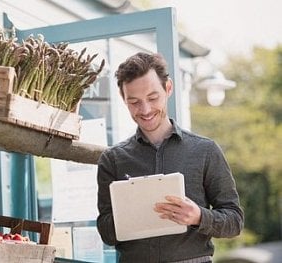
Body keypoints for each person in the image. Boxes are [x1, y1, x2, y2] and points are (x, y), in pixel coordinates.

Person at [96, 52, 244, 262]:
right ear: (123, 99)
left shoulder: (205, 151)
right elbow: (105, 231)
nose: (145, 109)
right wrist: (131, 213)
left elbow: (234, 221)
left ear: (168, 88)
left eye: (152, 98)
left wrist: (198, 216)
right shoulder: (112, 160)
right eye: (134, 102)